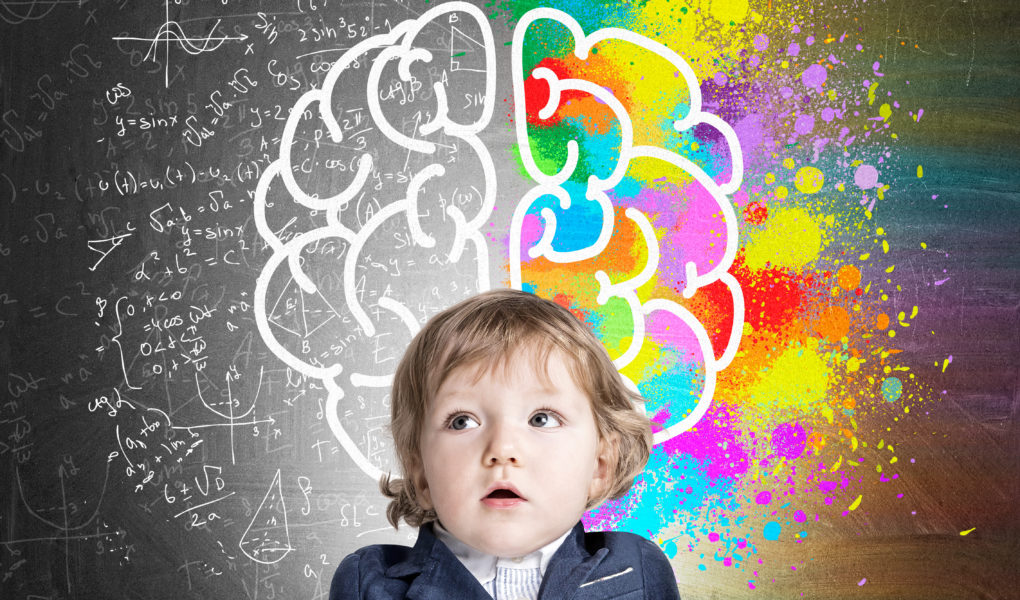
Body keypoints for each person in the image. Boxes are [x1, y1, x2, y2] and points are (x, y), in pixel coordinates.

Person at [329, 289, 681, 599]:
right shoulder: (371, 584)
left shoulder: (636, 570)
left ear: (600, 465)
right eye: (462, 421)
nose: (502, 449)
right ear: (420, 473)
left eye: (541, 418)